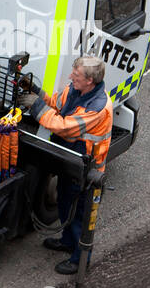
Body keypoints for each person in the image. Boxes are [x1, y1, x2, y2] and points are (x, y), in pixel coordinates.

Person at [17, 55, 113, 275]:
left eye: (76, 75)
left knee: (79, 214)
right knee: (65, 202)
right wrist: (36, 91)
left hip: (87, 172)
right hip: (71, 162)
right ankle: (68, 242)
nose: (71, 77)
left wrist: (36, 106)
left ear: (90, 81)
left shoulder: (98, 108)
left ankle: (80, 260)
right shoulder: (77, 90)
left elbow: (64, 127)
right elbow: (57, 104)